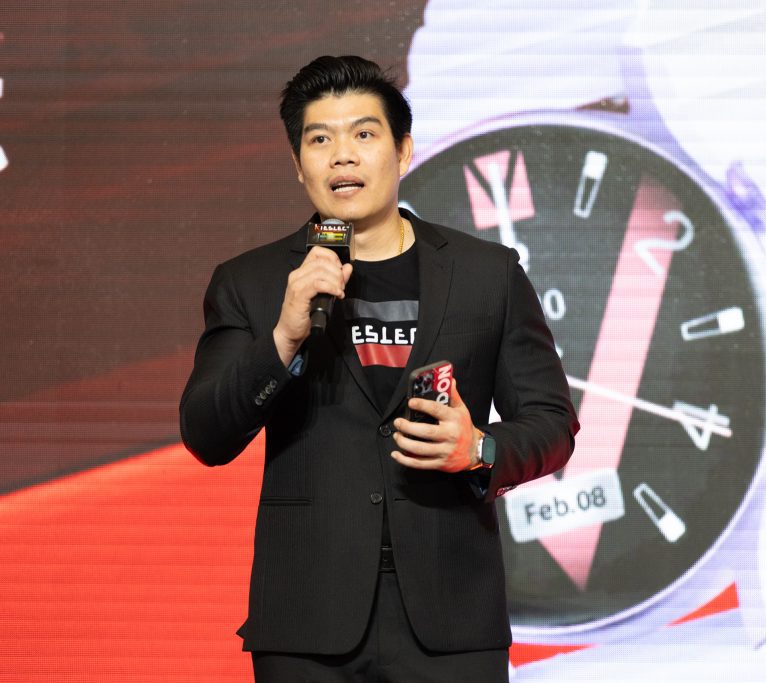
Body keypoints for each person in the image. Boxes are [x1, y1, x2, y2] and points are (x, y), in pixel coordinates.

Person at [178, 55, 578, 682]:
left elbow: (552, 423)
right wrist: (283, 337)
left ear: (403, 151)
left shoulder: (487, 273)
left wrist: (479, 448)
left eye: (364, 134)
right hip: (308, 623)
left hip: (452, 619)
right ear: (298, 164)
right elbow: (206, 433)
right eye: (320, 140)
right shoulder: (251, 282)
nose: (343, 156)